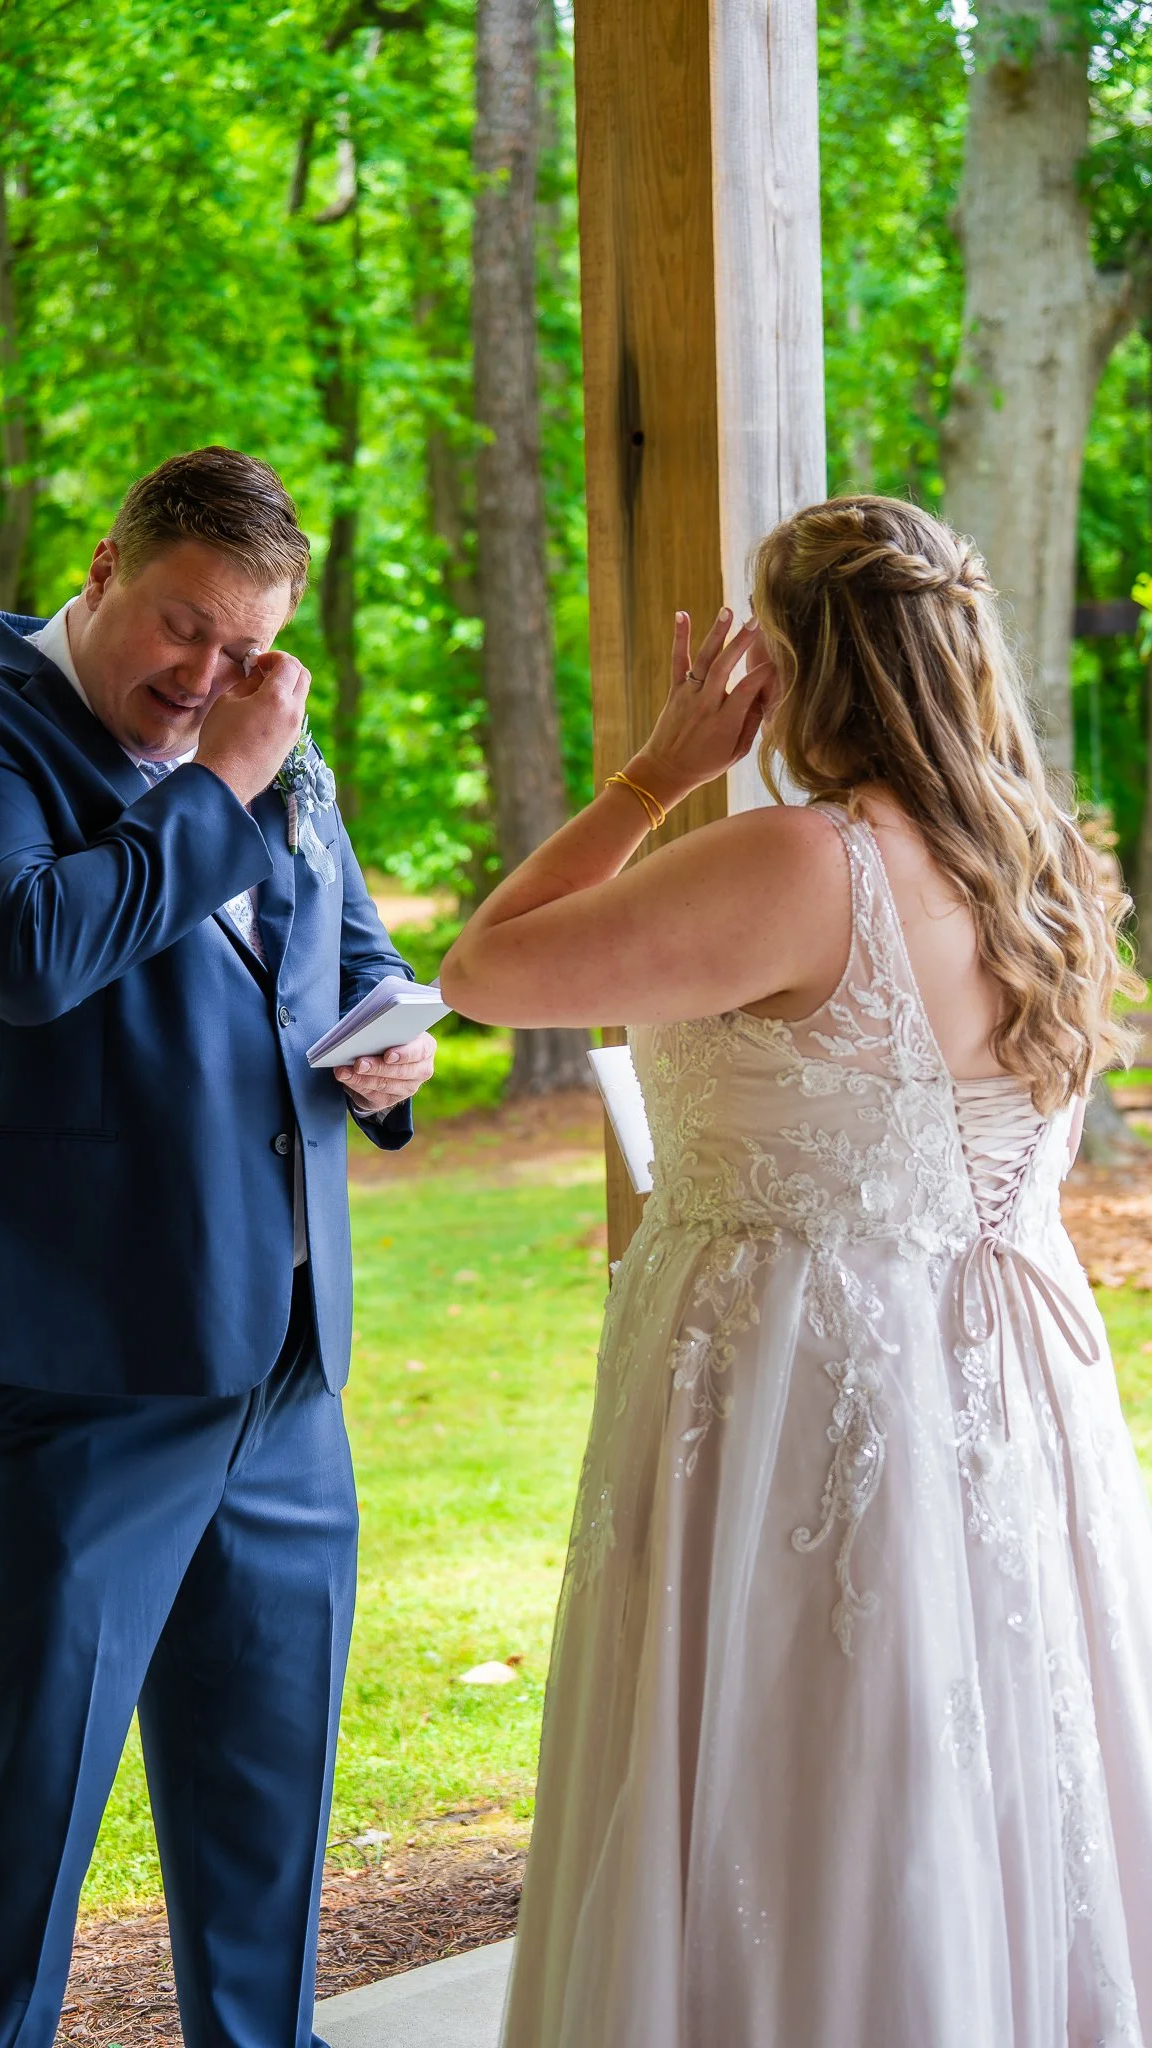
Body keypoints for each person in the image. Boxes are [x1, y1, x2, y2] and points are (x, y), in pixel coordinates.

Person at [440, 495, 1152, 2048]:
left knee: (798, 1766)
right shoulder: (1049, 865)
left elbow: (483, 967)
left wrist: (654, 772)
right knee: (974, 1772)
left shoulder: (794, 863)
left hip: (795, 1396)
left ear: (795, 667)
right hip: (1008, 1396)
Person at [0, 447, 435, 2048]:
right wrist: (224, 781)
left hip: (285, 1366)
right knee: (22, 1831)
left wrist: (393, 1056)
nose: (207, 678)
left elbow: (347, 943)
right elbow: (29, 956)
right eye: (184, 628)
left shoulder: (270, 743)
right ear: (106, 565)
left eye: (246, 652)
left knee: (270, 1827)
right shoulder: (8, 721)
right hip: (86, 1370)